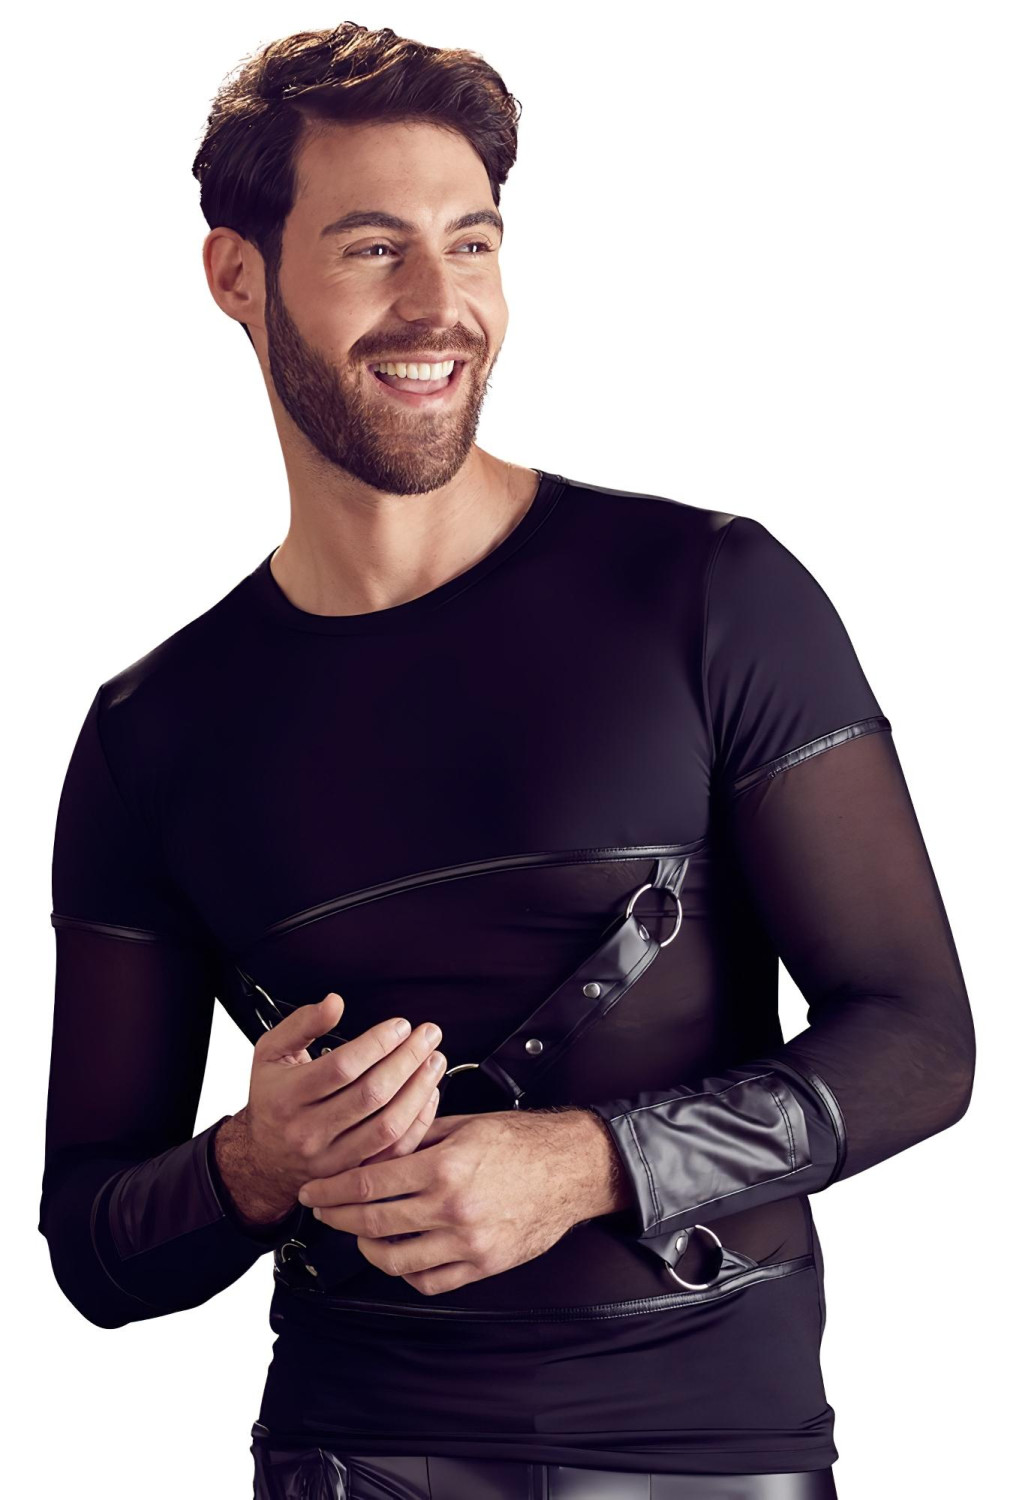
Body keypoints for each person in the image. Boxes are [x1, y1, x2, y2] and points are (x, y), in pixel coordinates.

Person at [38, 21, 975, 1500]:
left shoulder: (710, 595)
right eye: (372, 248)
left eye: (470, 244)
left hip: (707, 1462)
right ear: (236, 276)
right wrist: (252, 1167)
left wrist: (591, 1161)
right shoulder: (149, 733)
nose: (439, 305)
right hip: (350, 1459)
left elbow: (921, 1042)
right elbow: (93, 1253)